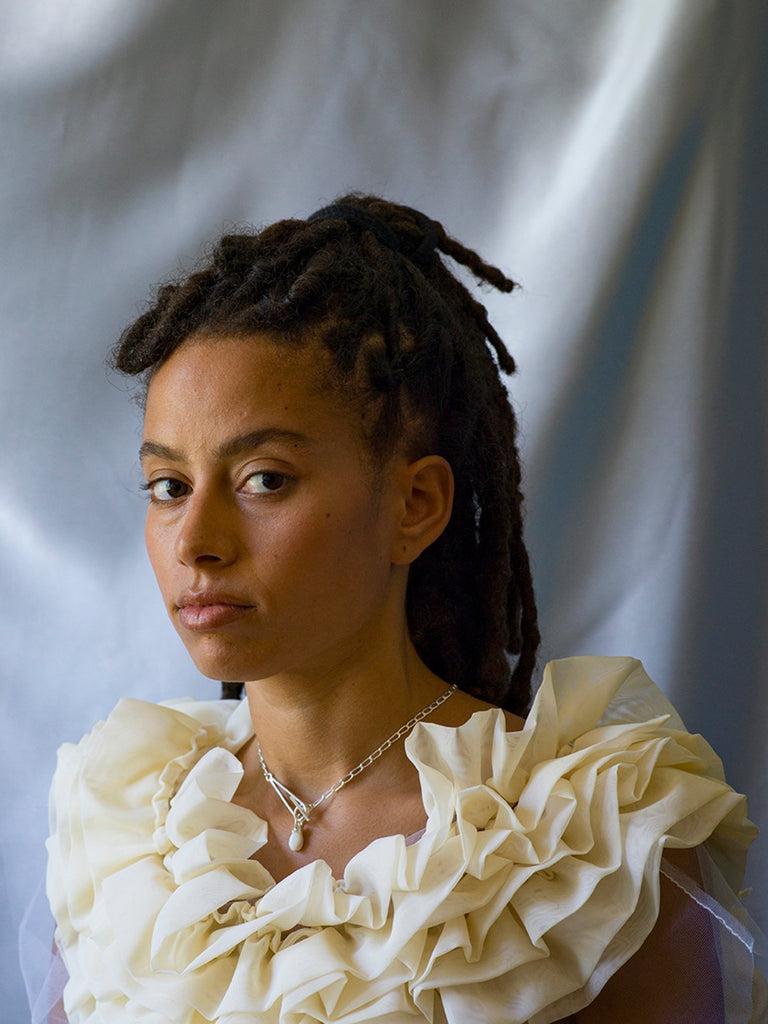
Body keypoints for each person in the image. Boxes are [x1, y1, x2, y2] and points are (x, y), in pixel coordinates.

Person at [41, 196, 765, 1023]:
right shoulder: (123, 830)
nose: (195, 542)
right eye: (169, 486)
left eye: (264, 479)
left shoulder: (590, 847)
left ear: (415, 504)